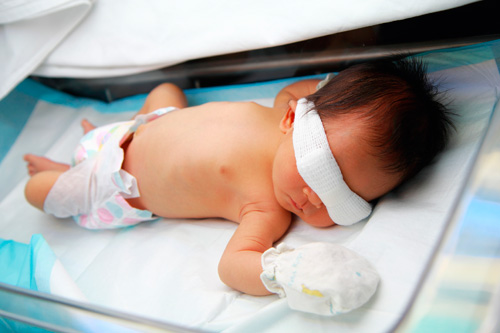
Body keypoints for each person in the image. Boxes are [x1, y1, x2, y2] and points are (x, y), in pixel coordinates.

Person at [23, 57, 453, 296]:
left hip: (114, 184)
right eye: (318, 171)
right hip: (148, 123)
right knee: (168, 91)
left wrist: (284, 273)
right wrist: (340, 91)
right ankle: (98, 144)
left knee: (36, 192)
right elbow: (310, 91)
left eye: (342, 200)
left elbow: (232, 266)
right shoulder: (284, 107)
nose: (312, 200)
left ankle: (69, 174)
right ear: (293, 120)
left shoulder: (267, 207)